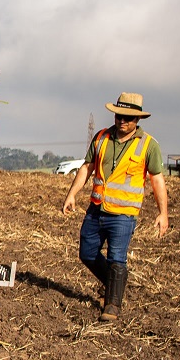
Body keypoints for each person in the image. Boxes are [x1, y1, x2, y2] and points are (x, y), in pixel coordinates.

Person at [62, 92, 169, 322]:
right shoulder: (101, 138)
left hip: (123, 215)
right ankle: (114, 285)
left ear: (137, 120)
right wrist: (72, 194)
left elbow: (157, 179)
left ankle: (112, 305)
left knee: (116, 259)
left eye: (128, 118)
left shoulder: (148, 145)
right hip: (96, 209)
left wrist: (163, 213)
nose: (122, 121)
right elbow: (86, 168)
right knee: (87, 253)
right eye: (119, 116)